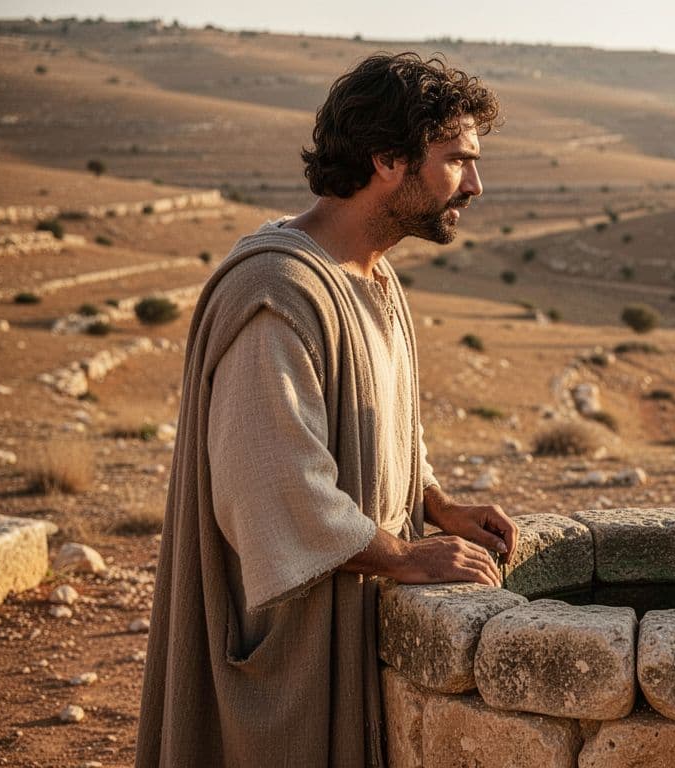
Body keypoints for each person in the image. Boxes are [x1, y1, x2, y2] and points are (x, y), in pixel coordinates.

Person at [137, 53, 517, 767]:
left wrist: (435, 502)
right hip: (288, 641)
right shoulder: (278, 293)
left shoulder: (372, 275)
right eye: (457, 160)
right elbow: (272, 485)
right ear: (386, 159)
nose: (476, 183)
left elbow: (387, 417)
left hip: (346, 610)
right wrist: (404, 555)